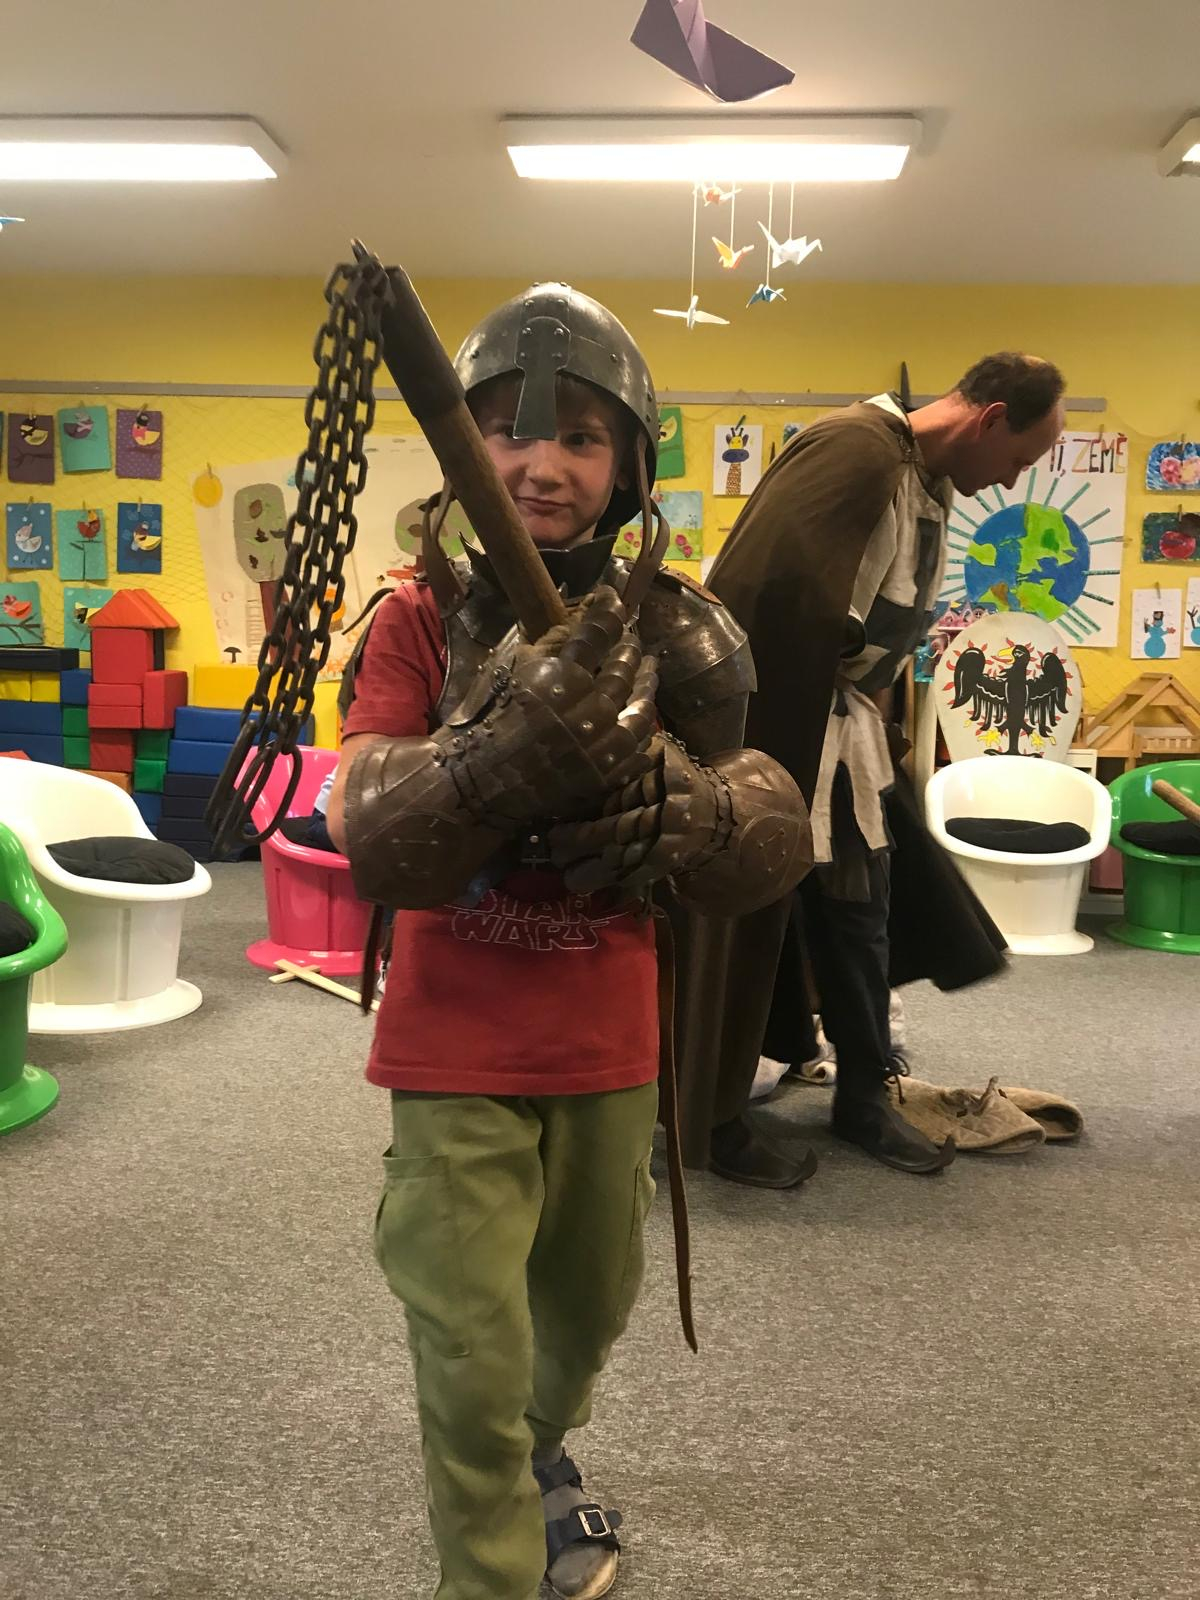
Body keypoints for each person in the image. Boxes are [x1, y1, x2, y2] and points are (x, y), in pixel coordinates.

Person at [326, 283, 809, 1600]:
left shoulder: (678, 628)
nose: (541, 462)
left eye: (582, 437)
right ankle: (488, 1567)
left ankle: (540, 1450)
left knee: (586, 1309)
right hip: (451, 1044)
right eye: (506, 430)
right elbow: (361, 813)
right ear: (463, 449)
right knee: (466, 1338)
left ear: (629, 464)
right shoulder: (417, 618)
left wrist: (690, 805)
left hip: (608, 1042)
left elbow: (762, 819)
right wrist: (486, 765)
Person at [677, 353, 1065, 1185]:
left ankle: (862, 1094)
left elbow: (866, 619)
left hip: (843, 735)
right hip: (784, 732)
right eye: (1019, 458)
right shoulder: (857, 452)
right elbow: (771, 601)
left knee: (862, 913)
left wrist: (876, 723)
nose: (1010, 480)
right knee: (751, 921)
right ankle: (708, 1117)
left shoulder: (920, 475)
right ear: (991, 418)